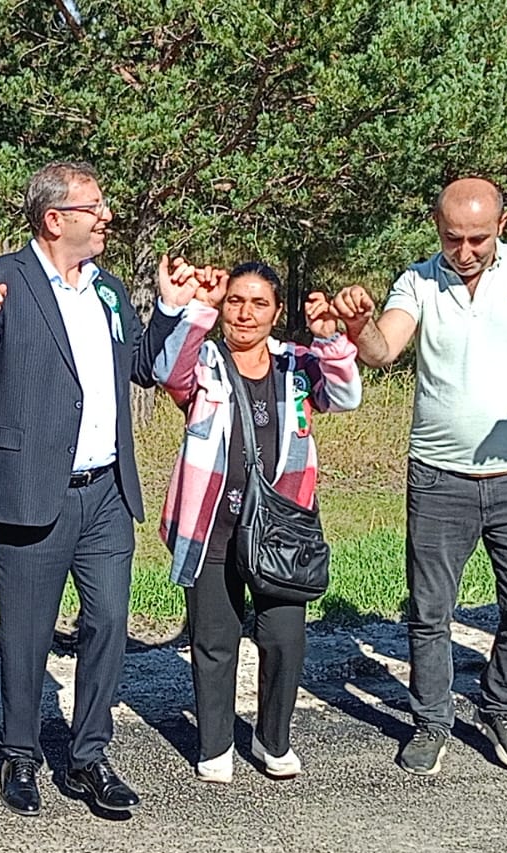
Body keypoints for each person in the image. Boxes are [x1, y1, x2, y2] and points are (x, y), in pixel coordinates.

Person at [339, 177, 507, 777]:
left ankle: (501, 705)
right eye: (452, 238)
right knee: (430, 610)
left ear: (502, 225)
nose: (464, 251)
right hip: (439, 478)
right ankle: (432, 719)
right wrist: (359, 326)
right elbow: (384, 349)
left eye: (478, 239)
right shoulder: (418, 279)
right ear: (437, 228)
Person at [0, 161, 180, 816]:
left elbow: (139, 367)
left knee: (109, 620)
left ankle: (87, 755)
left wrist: (165, 308)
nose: (105, 215)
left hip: (106, 489)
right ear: (55, 219)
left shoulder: (108, 289)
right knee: (25, 633)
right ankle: (20, 753)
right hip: (31, 487)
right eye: (93, 207)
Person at [152, 258, 365, 782]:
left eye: (259, 304)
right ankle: (216, 744)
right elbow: (165, 372)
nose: (245, 314)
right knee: (214, 641)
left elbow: (345, 395)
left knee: (283, 639)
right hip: (214, 526)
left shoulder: (295, 363)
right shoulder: (204, 361)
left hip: (282, 528)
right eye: (236, 302)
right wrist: (198, 309)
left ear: (276, 313)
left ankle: (273, 740)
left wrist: (329, 341)